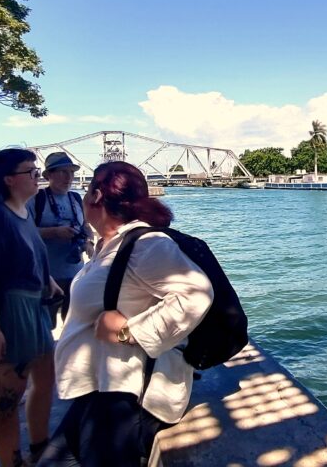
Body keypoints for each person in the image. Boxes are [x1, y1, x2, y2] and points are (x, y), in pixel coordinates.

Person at [38, 161, 213, 466]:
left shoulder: (146, 245)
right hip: (100, 385)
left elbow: (197, 295)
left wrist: (129, 332)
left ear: (96, 197)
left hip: (125, 395)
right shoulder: (110, 245)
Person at [0, 148, 63, 467]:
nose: (38, 176)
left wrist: (48, 280)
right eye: (30, 172)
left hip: (35, 310)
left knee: (46, 380)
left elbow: (27, 256)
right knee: (8, 398)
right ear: (9, 179)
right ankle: (12, 462)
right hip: (8, 313)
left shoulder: (22, 211)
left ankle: (39, 445)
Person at [33, 152, 94, 323]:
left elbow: (86, 227)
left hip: (76, 274)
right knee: (45, 326)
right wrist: (54, 232)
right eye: (63, 172)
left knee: (73, 324)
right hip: (46, 276)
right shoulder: (37, 199)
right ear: (49, 175)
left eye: (72, 172)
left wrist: (89, 242)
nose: (69, 177)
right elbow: (24, 233)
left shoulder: (75, 198)